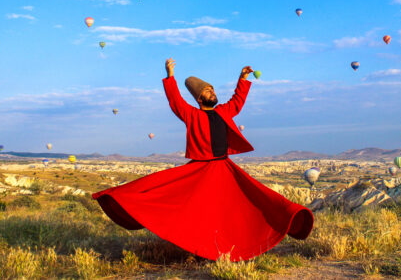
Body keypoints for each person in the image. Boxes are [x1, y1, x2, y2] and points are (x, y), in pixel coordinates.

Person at [93, 59, 314, 261]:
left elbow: (237, 101)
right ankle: (203, 248)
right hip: (203, 169)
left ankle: (279, 225)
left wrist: (243, 79)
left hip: (225, 168)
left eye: (213, 89)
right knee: (179, 199)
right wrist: (170, 76)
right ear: (200, 98)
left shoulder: (223, 112)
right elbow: (175, 101)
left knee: (255, 199)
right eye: (208, 91)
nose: (212, 92)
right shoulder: (191, 114)